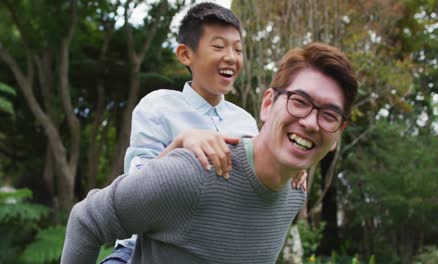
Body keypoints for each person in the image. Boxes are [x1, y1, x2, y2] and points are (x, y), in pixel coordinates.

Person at [61, 42, 358, 263]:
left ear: (337, 135)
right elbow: (87, 221)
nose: (309, 122)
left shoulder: (295, 193)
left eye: (328, 115)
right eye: (299, 101)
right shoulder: (194, 172)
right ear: (268, 104)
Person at [103, 3, 305, 263]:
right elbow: (134, 194)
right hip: (140, 251)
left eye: (238, 49)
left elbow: (257, 191)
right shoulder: (159, 106)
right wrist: (180, 143)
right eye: (219, 46)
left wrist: (289, 166)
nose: (231, 57)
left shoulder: (245, 122)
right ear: (186, 54)